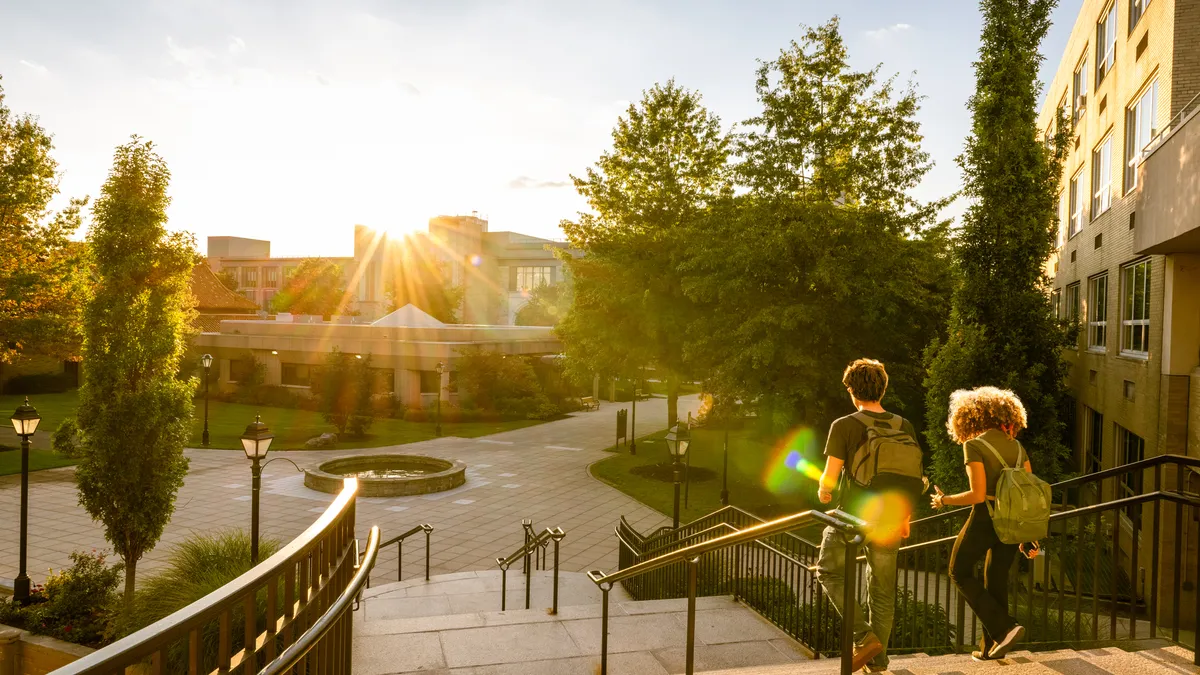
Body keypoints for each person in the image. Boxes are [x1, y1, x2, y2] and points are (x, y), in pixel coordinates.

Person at [816, 358, 921, 673]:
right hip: (891, 517)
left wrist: (823, 493)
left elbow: (829, 480)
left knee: (828, 571)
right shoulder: (904, 425)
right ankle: (878, 661)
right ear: (883, 389)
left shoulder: (844, 425)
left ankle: (863, 637)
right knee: (882, 591)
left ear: (851, 390)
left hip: (854, 517)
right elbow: (909, 475)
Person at [931, 386, 1036, 661]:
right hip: (1013, 522)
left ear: (970, 418)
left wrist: (944, 500)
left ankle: (1004, 628)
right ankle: (991, 648)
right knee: (996, 580)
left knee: (958, 571)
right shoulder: (1017, 446)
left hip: (985, 518)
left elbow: (977, 494)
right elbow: (1028, 492)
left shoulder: (974, 445)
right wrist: (1029, 537)